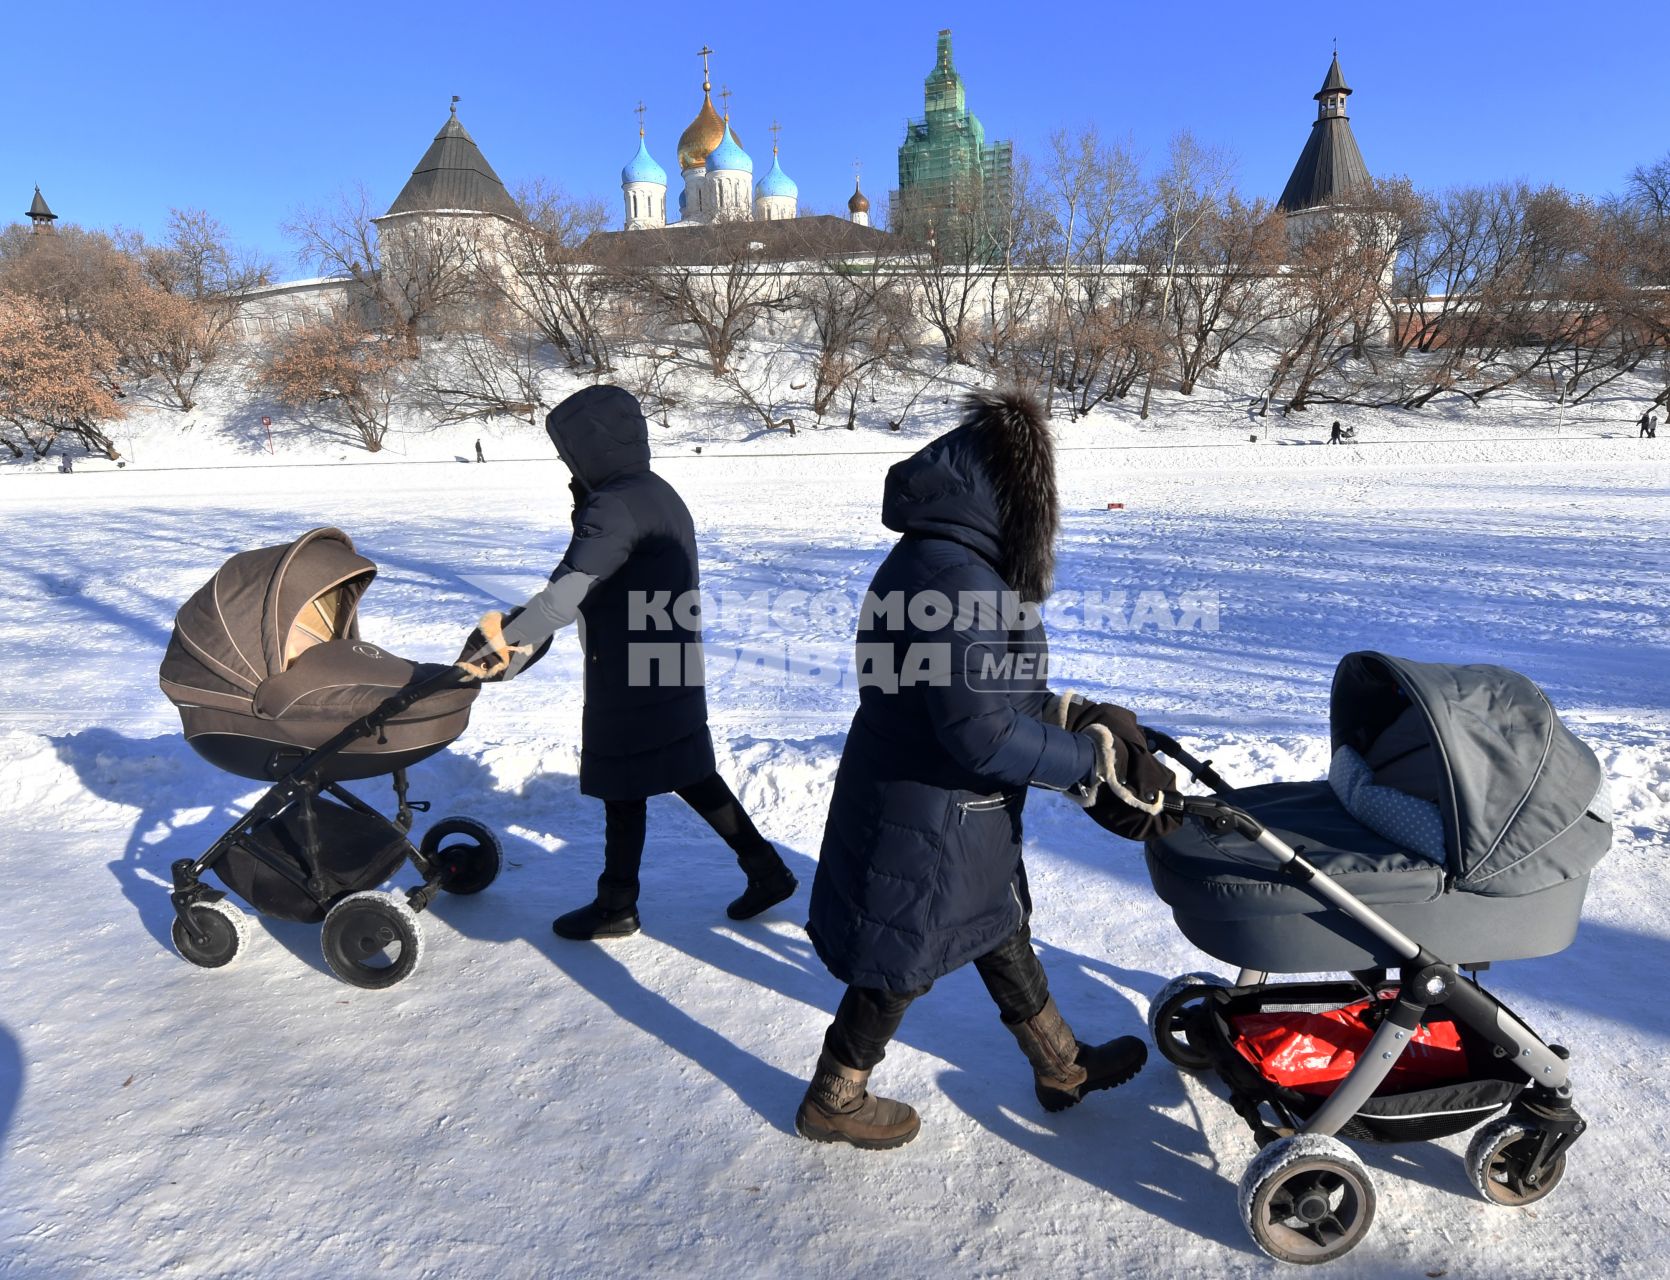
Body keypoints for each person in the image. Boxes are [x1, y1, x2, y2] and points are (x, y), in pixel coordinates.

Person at [795, 391, 1182, 1149]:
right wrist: (1086, 765)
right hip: (930, 810)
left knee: (997, 924)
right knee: (901, 958)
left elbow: (987, 691)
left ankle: (1060, 1063)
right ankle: (834, 1096)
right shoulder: (955, 581)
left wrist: (1066, 713)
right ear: (1010, 497)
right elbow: (976, 730)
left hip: (945, 803)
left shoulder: (951, 562)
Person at [462, 385, 796, 939]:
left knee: (623, 784)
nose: (565, 462)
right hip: (672, 657)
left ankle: (617, 905)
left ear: (588, 447)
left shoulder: (612, 503)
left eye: (568, 452)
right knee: (686, 767)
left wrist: (506, 646)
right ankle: (768, 870)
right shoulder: (658, 490)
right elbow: (622, 571)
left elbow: (565, 596)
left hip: (628, 671)